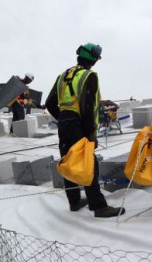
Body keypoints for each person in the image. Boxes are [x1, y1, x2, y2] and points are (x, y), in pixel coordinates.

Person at [46, 43, 125, 217]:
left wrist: (63, 118)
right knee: (89, 164)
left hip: (65, 124)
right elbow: (87, 106)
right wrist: (91, 134)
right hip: (79, 124)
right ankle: (99, 207)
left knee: (69, 161)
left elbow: (49, 103)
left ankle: (74, 201)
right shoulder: (89, 76)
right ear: (94, 60)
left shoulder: (63, 75)